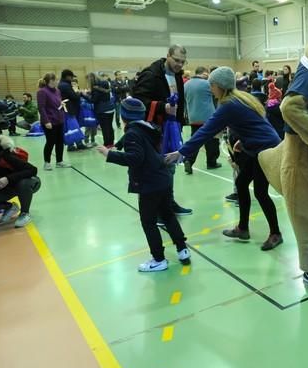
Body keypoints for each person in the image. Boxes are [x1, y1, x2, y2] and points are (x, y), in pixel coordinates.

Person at [165, 67, 283, 251]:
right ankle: (243, 229)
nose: (210, 89)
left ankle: (276, 233)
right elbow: (254, 124)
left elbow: (206, 130)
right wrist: (244, 142)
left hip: (265, 150)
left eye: (212, 85)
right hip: (258, 146)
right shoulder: (240, 97)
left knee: (260, 192)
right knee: (242, 184)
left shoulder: (229, 104)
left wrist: (181, 152)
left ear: (219, 86)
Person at [98, 97, 190, 272]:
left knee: (148, 222)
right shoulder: (147, 127)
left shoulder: (133, 133)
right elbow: (132, 139)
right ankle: (182, 250)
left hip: (150, 184)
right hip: (163, 178)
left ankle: (158, 259)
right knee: (168, 215)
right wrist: (117, 145)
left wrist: (109, 155)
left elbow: (135, 158)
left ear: (123, 116)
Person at [131, 44, 192, 216]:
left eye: (182, 62)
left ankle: (168, 204)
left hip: (172, 128)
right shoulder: (151, 74)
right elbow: (138, 100)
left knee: (170, 166)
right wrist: (161, 107)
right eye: (176, 60)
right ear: (168, 56)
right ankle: (156, 210)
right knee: (154, 169)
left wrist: (179, 122)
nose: (179, 64)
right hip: (153, 129)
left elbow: (179, 102)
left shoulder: (178, 75)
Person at [0, 134, 40, 228]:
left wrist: (7, 179)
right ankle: (9, 207)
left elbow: (32, 170)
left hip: (28, 181)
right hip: (5, 188)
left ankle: (25, 213)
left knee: (23, 183)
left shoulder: (4, 155)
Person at [183, 66, 220, 174]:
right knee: (212, 140)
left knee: (195, 140)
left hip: (193, 117)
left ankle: (189, 160)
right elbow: (217, 95)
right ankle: (211, 162)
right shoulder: (207, 84)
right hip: (208, 116)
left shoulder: (186, 84)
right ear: (204, 73)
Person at [37, 73, 70, 170]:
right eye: (56, 80)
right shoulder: (42, 92)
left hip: (59, 120)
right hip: (49, 122)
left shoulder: (57, 91)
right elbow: (41, 108)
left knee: (60, 141)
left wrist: (61, 104)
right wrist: (46, 121)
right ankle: (46, 162)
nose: (58, 81)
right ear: (51, 81)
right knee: (50, 142)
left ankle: (59, 161)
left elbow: (57, 102)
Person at [57, 69, 86, 151]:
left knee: (71, 127)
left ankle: (76, 144)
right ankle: (73, 145)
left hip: (68, 108)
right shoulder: (65, 85)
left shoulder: (63, 84)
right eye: (71, 77)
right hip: (68, 109)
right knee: (72, 127)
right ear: (67, 76)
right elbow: (74, 96)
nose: (72, 79)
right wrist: (79, 93)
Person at [88, 72, 115, 147]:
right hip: (110, 108)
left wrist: (84, 96)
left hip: (102, 110)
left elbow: (94, 100)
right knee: (109, 126)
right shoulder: (104, 84)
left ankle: (106, 144)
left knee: (105, 127)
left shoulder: (95, 87)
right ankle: (111, 143)